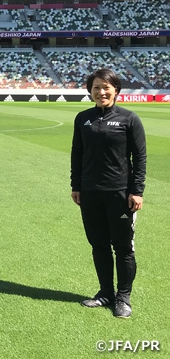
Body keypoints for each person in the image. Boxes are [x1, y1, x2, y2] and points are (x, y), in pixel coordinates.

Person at [71, 68, 146, 319]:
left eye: (106, 87)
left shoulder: (129, 119)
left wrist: (137, 191)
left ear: (115, 90)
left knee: (123, 248)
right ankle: (105, 293)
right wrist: (76, 185)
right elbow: (77, 154)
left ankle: (123, 298)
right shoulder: (82, 118)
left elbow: (140, 157)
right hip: (90, 194)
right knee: (99, 245)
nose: (101, 92)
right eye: (96, 88)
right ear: (90, 91)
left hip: (120, 194)